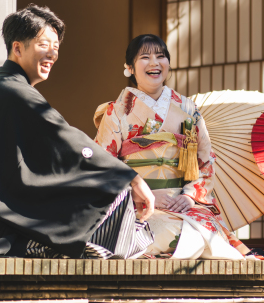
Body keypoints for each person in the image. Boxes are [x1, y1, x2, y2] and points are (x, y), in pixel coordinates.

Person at [0, 5, 155, 259]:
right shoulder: (13, 91)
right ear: (17, 48)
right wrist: (129, 178)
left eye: (56, 48)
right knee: (112, 192)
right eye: (44, 45)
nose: (52, 54)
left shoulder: (1, 88)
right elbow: (65, 139)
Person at [93, 34, 251, 259]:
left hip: (183, 206)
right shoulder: (116, 112)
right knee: (160, 232)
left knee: (202, 232)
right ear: (129, 67)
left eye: (161, 56)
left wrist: (188, 196)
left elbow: (204, 164)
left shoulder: (188, 109)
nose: (154, 63)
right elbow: (102, 167)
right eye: (145, 57)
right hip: (134, 204)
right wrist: (144, 194)